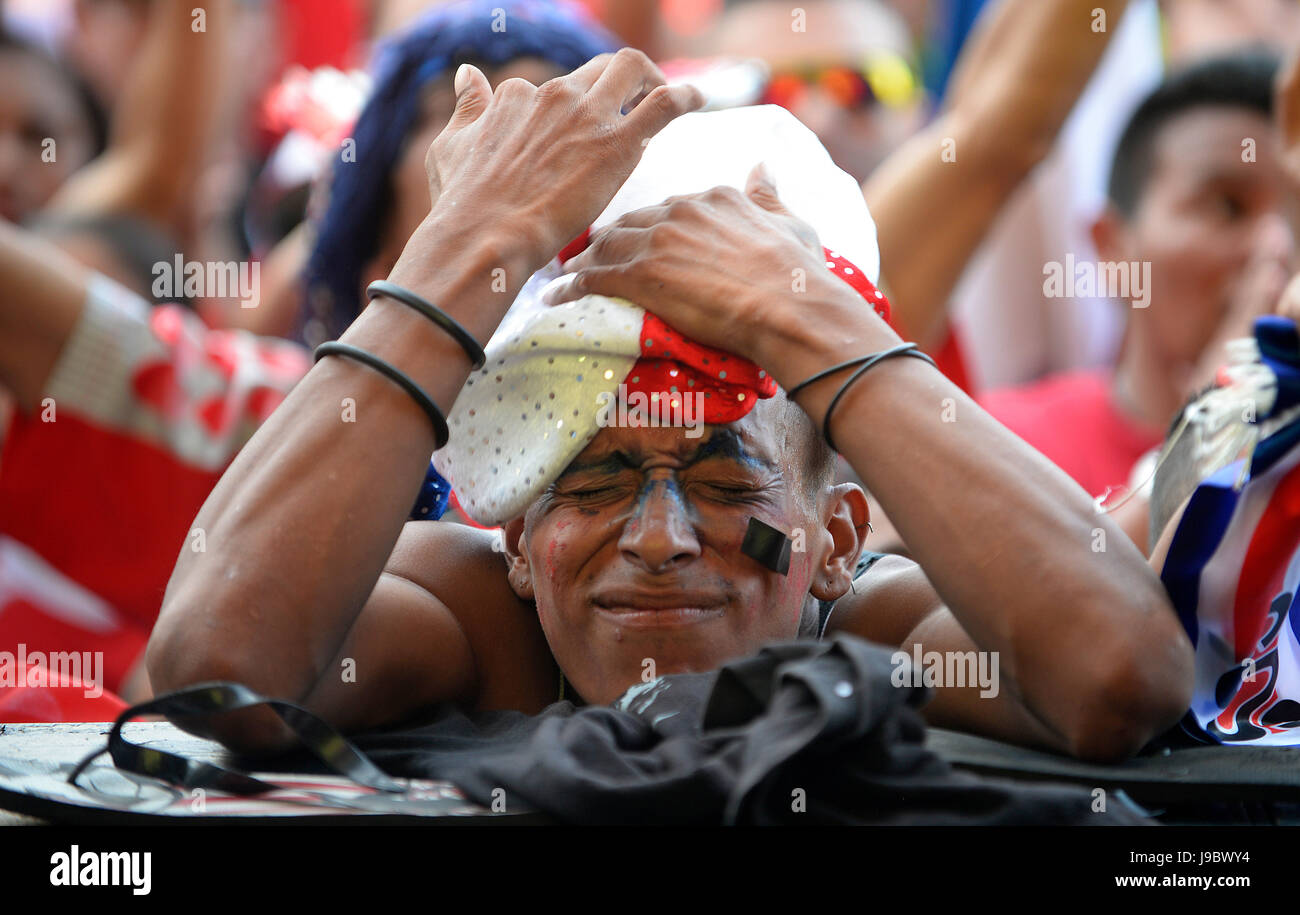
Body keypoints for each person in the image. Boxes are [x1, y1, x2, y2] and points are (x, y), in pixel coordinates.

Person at [149, 49, 1193, 764]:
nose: (657, 538)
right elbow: (213, 674)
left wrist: (811, 328)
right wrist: (468, 247)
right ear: (515, 539)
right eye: (594, 482)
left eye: (728, 479)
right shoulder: (487, 624)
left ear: (834, 539)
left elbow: (1120, 678)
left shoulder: (868, 629)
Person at [978, 51, 1295, 501]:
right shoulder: (1000, 441)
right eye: (1228, 207)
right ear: (1113, 248)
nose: (1276, 246)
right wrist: (1217, 418)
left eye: (1297, 216)